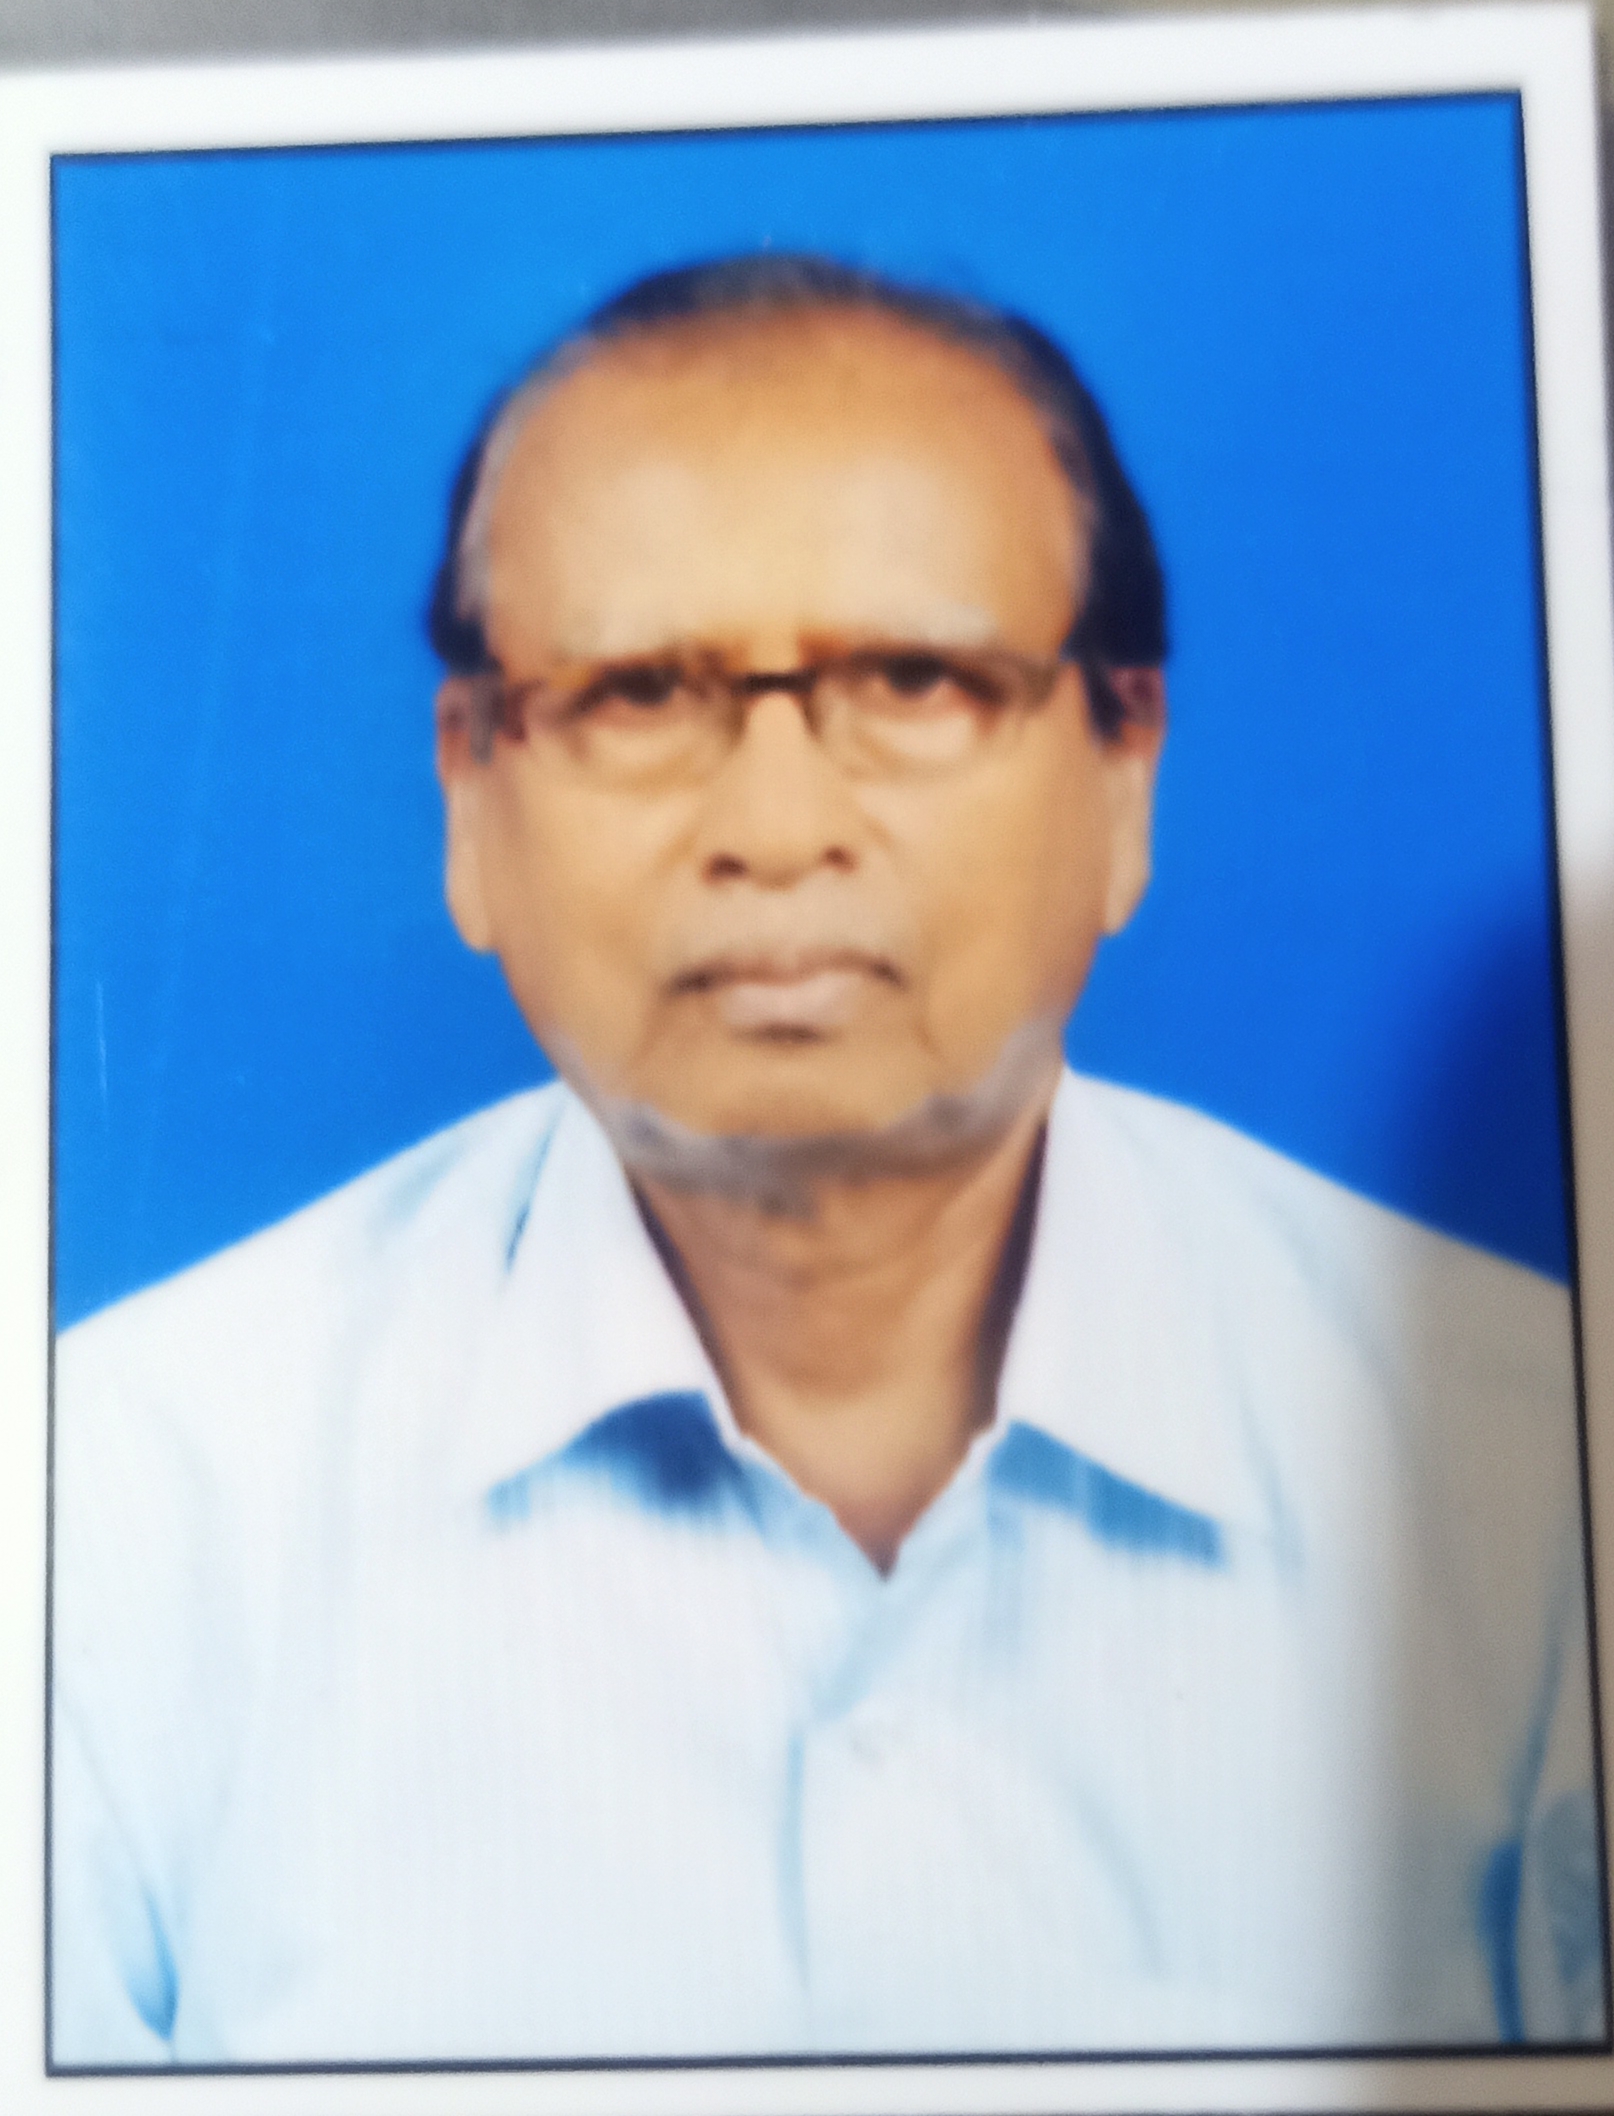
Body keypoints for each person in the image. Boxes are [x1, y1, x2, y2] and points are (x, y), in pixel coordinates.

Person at [51, 254, 1604, 2067]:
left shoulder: (1528, 1486)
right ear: (469, 791)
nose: (776, 831)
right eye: (639, 694)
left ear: (1125, 768)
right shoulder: (116, 1519)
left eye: (915, 680)